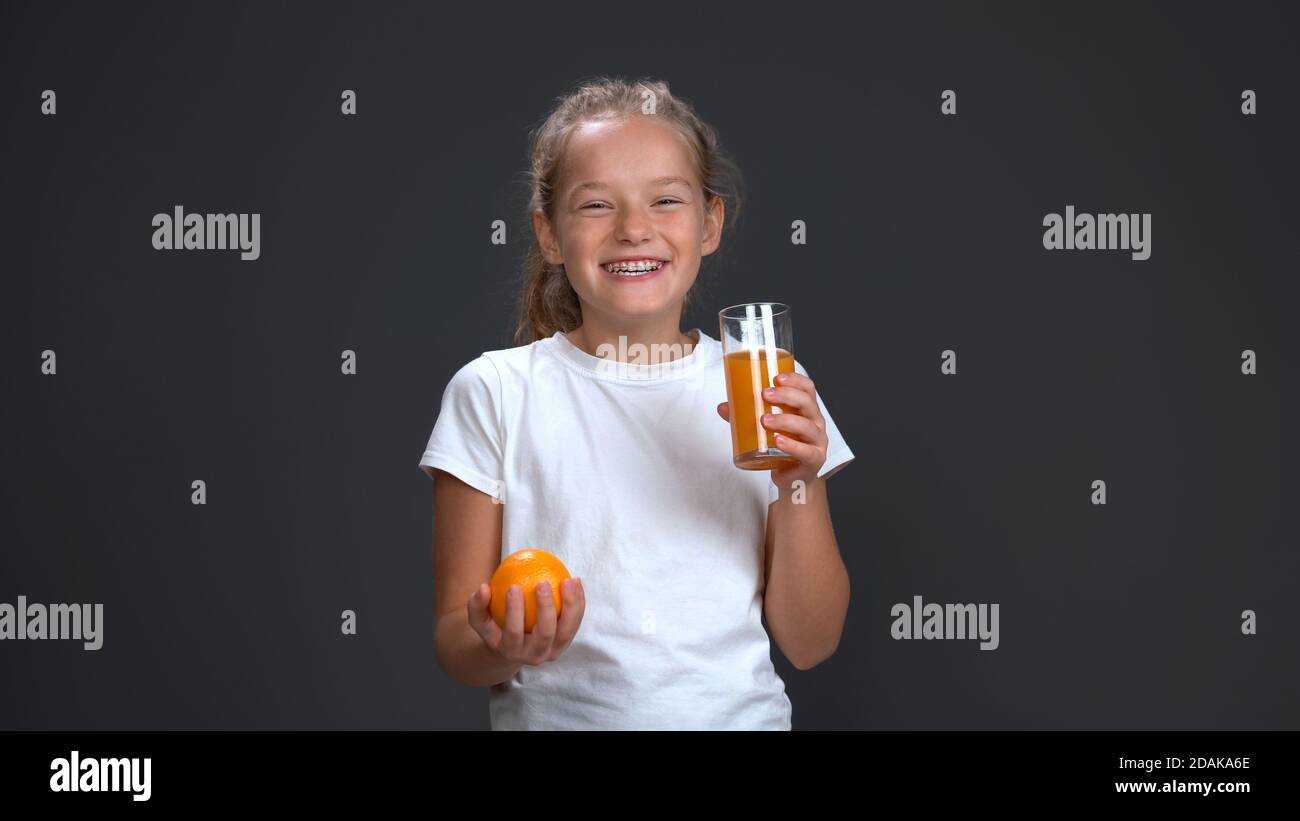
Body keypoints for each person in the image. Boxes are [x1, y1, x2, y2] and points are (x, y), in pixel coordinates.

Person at [419, 76, 854, 729]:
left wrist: (801, 484)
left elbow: (811, 641)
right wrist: (498, 642)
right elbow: (457, 641)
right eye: (596, 205)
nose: (633, 229)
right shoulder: (495, 392)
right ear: (548, 234)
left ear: (710, 223)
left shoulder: (764, 385)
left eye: (666, 200)